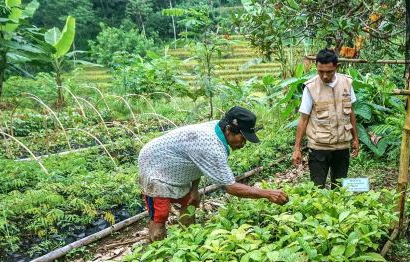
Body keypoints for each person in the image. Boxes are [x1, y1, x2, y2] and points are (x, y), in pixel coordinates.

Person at [138, 106, 288, 241]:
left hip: (175, 166)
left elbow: (196, 160)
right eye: (242, 138)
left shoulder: (219, 128)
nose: (243, 143)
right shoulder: (212, 147)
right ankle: (158, 249)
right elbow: (231, 187)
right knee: (160, 215)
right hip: (154, 166)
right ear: (229, 130)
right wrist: (267, 193)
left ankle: (189, 240)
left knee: (191, 201)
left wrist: (194, 189)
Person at [292, 49, 360, 188]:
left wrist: (355, 139)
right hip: (318, 148)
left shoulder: (347, 83)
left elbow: (351, 113)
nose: (324, 76)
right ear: (316, 67)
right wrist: (297, 148)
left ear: (336, 66)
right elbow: (303, 119)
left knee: (340, 188)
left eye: (329, 72)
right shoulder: (310, 87)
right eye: (320, 71)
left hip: (342, 146)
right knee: (318, 189)